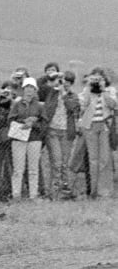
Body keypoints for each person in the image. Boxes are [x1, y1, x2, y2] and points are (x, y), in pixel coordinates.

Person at [77, 68, 116, 198]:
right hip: (90, 126)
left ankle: (104, 191)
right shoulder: (87, 91)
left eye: (99, 79)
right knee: (93, 160)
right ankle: (93, 191)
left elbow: (113, 105)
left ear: (104, 79)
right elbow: (83, 105)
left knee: (104, 159)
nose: (97, 82)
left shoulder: (110, 90)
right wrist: (88, 88)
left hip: (104, 126)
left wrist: (103, 90)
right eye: (95, 79)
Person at [43, 70, 79, 199]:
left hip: (66, 132)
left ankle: (65, 192)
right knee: (57, 162)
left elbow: (71, 107)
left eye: (68, 82)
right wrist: (55, 80)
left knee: (64, 164)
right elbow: (43, 87)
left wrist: (64, 94)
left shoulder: (73, 96)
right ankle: (53, 192)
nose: (65, 84)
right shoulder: (52, 93)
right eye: (64, 82)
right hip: (52, 131)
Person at [8, 78, 46, 200]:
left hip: (34, 139)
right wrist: (23, 122)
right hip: (18, 138)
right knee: (18, 169)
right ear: (23, 89)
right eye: (27, 87)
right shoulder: (17, 104)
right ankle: (16, 194)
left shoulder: (40, 106)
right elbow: (10, 119)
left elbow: (44, 123)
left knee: (33, 169)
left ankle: (33, 195)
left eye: (32, 88)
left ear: (35, 90)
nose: (29, 90)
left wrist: (33, 124)